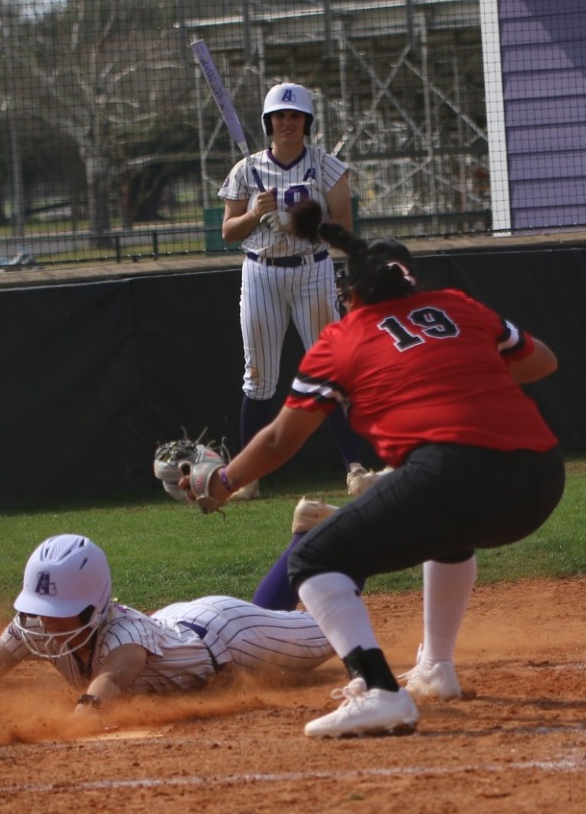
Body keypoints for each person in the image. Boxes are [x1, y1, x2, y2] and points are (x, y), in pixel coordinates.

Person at [179, 223, 565, 739]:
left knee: (313, 558)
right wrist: (457, 366)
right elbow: (543, 361)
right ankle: (436, 668)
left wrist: (221, 481)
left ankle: (378, 689)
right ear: (410, 281)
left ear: (350, 293)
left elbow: (278, 441)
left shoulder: (343, 337)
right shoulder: (459, 306)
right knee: (447, 534)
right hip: (541, 479)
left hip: (457, 474)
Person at [0, 534, 336, 720]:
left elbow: (109, 685)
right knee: (278, 616)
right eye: (41, 607)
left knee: (334, 628)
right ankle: (303, 536)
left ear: (92, 606)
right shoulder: (35, 624)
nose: (46, 621)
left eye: (59, 609)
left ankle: (340, 538)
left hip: (229, 635)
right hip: (183, 625)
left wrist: (66, 724)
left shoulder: (124, 638)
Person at [218, 81, 373, 493]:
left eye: (295, 116)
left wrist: (300, 226)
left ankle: (354, 467)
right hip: (261, 271)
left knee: (329, 372)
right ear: (269, 122)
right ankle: (246, 476)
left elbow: (344, 224)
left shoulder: (326, 165)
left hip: (312, 270)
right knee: (259, 376)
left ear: (307, 122)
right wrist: (255, 214)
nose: (288, 123)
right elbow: (229, 232)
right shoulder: (246, 169)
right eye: (280, 116)